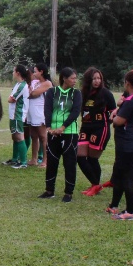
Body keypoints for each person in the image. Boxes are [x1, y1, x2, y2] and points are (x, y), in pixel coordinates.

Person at [106, 70, 133, 221]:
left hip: (128, 144)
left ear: (127, 83)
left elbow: (117, 121)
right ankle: (114, 205)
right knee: (118, 174)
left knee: (128, 178)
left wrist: (114, 116)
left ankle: (130, 212)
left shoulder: (132, 100)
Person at [38, 67, 82, 202]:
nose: (75, 81)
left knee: (69, 163)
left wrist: (63, 127)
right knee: (52, 162)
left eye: (75, 78)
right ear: (64, 78)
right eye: (72, 78)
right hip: (53, 133)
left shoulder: (76, 93)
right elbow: (48, 109)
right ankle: (49, 190)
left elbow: (75, 112)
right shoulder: (52, 91)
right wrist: (50, 128)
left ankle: (68, 193)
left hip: (69, 133)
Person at [77, 67, 116, 196]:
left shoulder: (106, 94)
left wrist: (108, 121)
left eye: (99, 78)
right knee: (80, 157)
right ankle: (95, 184)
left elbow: (113, 111)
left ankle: (95, 186)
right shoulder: (84, 93)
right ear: (89, 80)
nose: (97, 81)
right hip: (85, 127)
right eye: (94, 78)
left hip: (100, 129)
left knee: (92, 159)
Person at [3, 64, 31, 168]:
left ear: (18, 73)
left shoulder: (23, 85)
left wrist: (10, 98)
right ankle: (15, 159)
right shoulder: (18, 84)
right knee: (15, 137)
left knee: (19, 137)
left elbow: (11, 99)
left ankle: (23, 162)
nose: (12, 73)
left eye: (13, 71)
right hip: (13, 115)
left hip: (18, 115)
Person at [28, 63, 53, 167]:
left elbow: (33, 94)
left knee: (43, 136)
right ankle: (34, 159)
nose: (34, 73)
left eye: (35, 71)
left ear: (41, 71)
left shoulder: (47, 83)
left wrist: (31, 91)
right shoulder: (35, 82)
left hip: (40, 111)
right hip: (32, 111)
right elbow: (29, 92)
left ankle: (45, 160)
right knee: (33, 136)